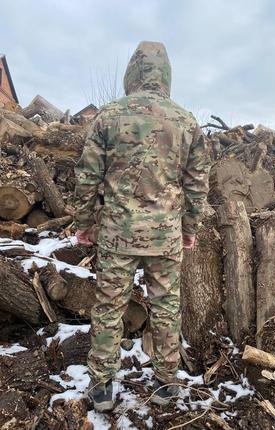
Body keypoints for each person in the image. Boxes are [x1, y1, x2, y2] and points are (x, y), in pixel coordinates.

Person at [74, 41, 209, 411]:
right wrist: (190, 228)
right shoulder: (186, 121)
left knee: (108, 308)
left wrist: (84, 223)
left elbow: (87, 177)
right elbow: (197, 183)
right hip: (165, 236)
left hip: (117, 234)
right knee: (165, 307)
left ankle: (101, 386)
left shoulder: (108, 115)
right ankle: (167, 382)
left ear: (132, 72)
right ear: (166, 75)